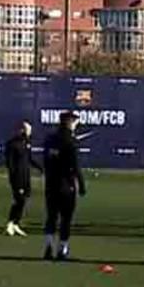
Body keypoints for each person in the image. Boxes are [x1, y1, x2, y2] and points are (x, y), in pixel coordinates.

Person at [43, 111, 86, 260]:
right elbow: (75, 165)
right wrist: (81, 184)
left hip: (51, 184)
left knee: (51, 216)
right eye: (74, 121)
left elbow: (46, 161)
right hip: (66, 185)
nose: (76, 124)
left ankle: (48, 246)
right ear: (69, 122)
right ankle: (62, 248)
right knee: (66, 218)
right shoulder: (70, 141)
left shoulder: (50, 139)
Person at [4, 120, 42, 237]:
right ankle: (10, 223)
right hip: (17, 177)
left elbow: (29, 158)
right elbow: (10, 164)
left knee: (24, 200)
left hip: (26, 176)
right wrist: (13, 178)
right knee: (18, 199)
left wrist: (40, 167)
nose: (29, 132)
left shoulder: (27, 142)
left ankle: (16, 223)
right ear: (21, 130)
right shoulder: (12, 144)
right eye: (27, 130)